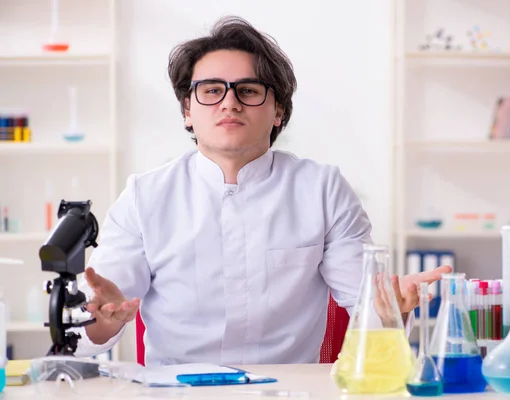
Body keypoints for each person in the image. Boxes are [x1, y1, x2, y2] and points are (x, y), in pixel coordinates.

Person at [74, 16, 451, 366]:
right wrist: (103, 318)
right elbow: (91, 332)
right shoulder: (145, 197)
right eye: (211, 90)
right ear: (187, 109)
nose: (230, 102)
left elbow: (368, 312)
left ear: (278, 112)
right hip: (178, 390)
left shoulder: (322, 189)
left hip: (288, 389)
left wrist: (394, 307)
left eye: (248, 90)